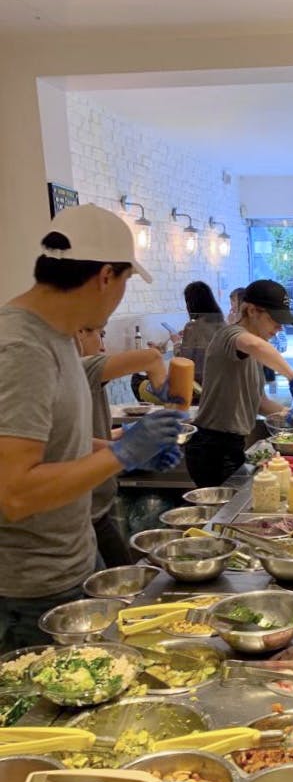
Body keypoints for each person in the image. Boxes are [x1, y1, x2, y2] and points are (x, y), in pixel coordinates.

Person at [0, 203, 183, 650]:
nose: (120, 295)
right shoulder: (22, 348)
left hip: (71, 563)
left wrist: (120, 449)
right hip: (30, 591)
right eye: (124, 282)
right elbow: (15, 492)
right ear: (105, 276)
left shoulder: (57, 336)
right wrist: (121, 454)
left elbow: (56, 446)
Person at [184, 279, 293, 487]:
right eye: (274, 319)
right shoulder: (231, 335)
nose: (279, 327)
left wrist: (286, 415)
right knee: (225, 515)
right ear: (252, 311)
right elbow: (252, 344)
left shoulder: (253, 351)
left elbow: (259, 401)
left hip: (231, 445)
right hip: (212, 448)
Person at [76, 325, 178, 567]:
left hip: (97, 508)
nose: (103, 344)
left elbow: (78, 437)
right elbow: (151, 358)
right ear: (79, 333)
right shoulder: (81, 368)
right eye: (98, 333)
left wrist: (125, 433)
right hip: (83, 514)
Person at [178, 280, 225, 386]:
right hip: (221, 384)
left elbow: (184, 361)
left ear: (191, 304)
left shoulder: (192, 327)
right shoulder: (223, 324)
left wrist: (176, 342)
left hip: (200, 387)